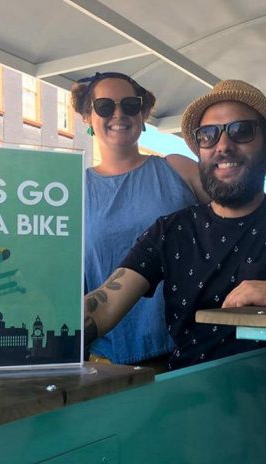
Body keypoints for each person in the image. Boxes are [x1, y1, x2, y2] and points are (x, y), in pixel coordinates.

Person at [83, 79, 266, 370]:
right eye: (209, 135)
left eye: (241, 131)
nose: (223, 145)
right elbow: (106, 304)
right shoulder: (170, 232)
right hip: (188, 401)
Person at [72, 72, 209, 366]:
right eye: (105, 106)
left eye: (130, 105)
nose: (119, 114)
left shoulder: (179, 169)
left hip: (190, 348)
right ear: (87, 116)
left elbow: (235, 218)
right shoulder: (72, 192)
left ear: (143, 113)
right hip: (109, 359)